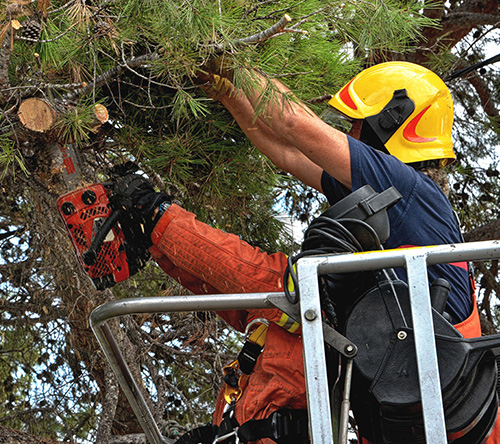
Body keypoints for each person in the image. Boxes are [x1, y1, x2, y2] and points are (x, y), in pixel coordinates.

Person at [119, 61, 492, 443]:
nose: (350, 132)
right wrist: (229, 94)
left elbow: (296, 126)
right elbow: (288, 154)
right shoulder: (397, 199)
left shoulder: (409, 189)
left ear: (392, 121)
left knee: (294, 286)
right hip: (407, 413)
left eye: (357, 122)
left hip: (429, 410)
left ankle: (158, 221)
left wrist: (230, 58)